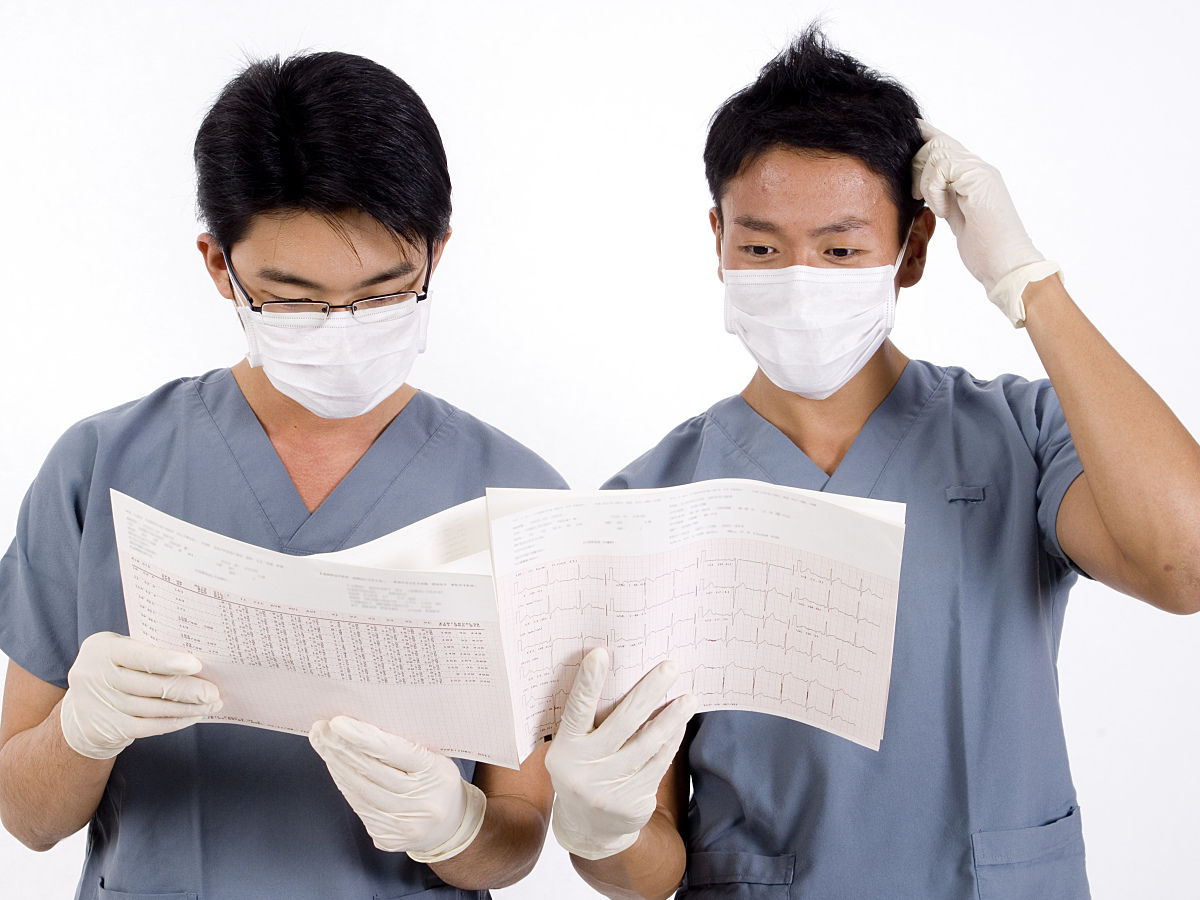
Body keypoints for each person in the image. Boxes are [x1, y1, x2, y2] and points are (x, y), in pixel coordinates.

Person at [543, 25, 1200, 900]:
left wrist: (1029, 282)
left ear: (914, 250)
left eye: (843, 249)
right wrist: (603, 827)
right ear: (718, 240)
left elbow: (1183, 563)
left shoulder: (1022, 432)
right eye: (763, 247)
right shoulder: (649, 503)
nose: (799, 277)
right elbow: (649, 869)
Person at [0, 51, 564, 900]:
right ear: (218, 265)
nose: (341, 328)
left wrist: (453, 825)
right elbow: (27, 818)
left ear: (436, 256)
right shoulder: (100, 470)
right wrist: (81, 732)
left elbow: (516, 843)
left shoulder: (517, 498)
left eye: (382, 293)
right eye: (293, 298)